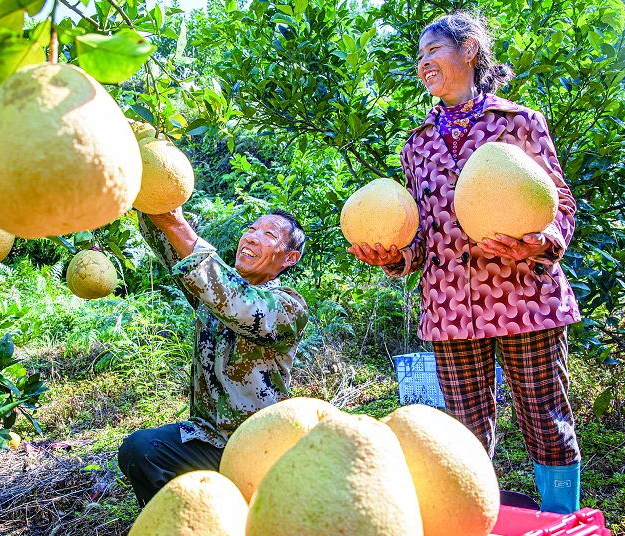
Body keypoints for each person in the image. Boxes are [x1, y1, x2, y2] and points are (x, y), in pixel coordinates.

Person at [349, 12, 582, 514]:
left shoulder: (519, 123)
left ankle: (565, 520)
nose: (423, 63)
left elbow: (561, 203)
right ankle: (479, 520)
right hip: (450, 308)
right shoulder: (416, 145)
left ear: (470, 49)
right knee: (463, 433)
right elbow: (420, 236)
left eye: (432, 50)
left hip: (526, 298)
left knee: (547, 419)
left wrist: (541, 241)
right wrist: (394, 255)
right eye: (418, 57)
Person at [118, 206, 309, 506]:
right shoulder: (216, 291)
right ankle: (185, 519)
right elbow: (173, 248)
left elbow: (238, 303)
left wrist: (177, 224)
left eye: (269, 234)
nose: (252, 238)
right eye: (251, 229)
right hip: (209, 439)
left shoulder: (289, 306)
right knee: (140, 451)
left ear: (289, 258)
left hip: (260, 447)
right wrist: (152, 201)